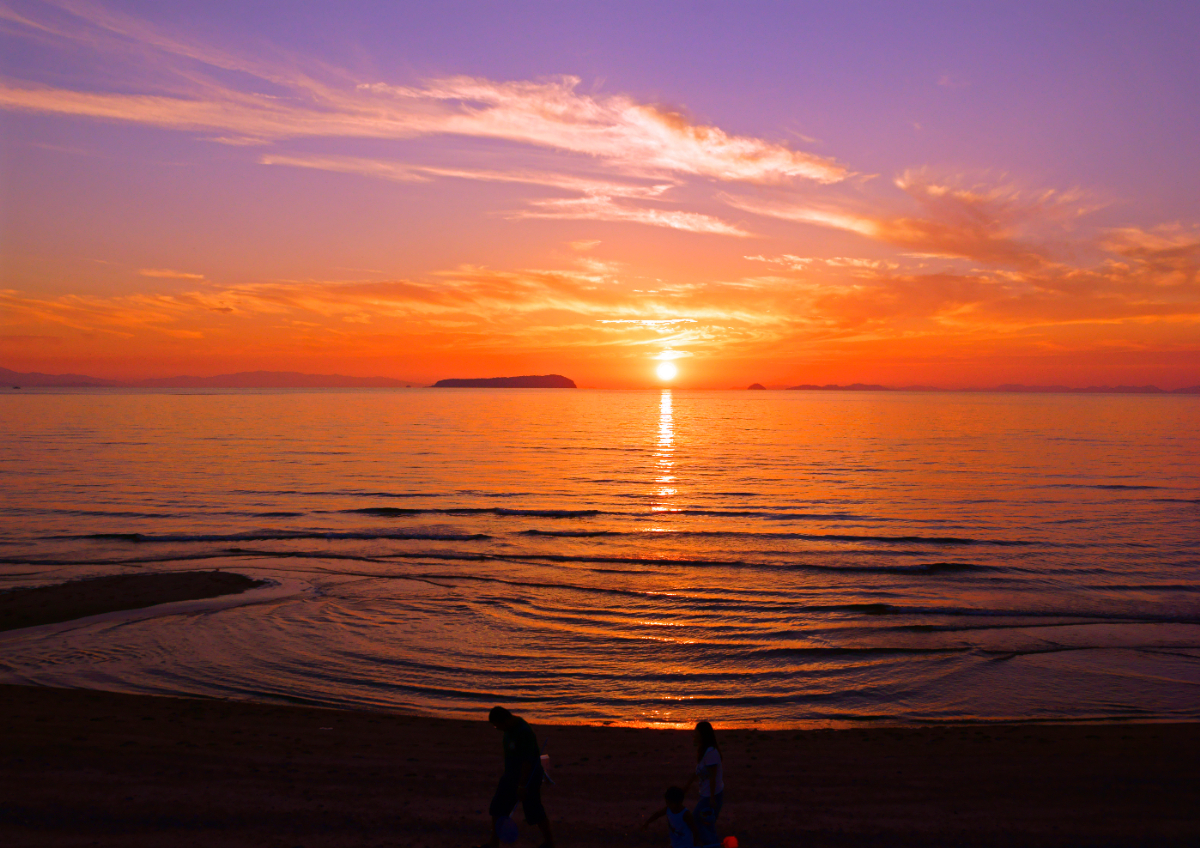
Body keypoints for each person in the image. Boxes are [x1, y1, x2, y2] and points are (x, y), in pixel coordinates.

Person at [478, 705, 554, 848]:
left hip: (528, 778)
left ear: (504, 720)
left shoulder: (523, 732)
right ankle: (494, 843)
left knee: (534, 810)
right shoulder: (509, 730)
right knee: (498, 807)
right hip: (510, 776)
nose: (497, 729)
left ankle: (549, 842)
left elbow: (527, 762)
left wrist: (521, 785)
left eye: (497, 725)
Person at [681, 720, 723, 848]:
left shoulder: (711, 752)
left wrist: (711, 798)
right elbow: (698, 772)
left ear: (702, 734)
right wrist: (687, 785)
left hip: (712, 795)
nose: (694, 735)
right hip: (705, 794)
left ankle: (711, 844)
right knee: (706, 823)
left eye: (696, 732)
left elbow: (713, 776)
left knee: (698, 820)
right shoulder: (703, 750)